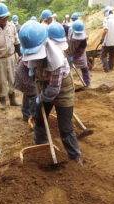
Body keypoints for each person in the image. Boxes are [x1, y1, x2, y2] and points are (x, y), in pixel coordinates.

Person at [19, 20, 82, 164]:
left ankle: (75, 158)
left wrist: (41, 97)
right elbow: (27, 65)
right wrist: (31, 72)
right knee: (39, 119)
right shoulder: (29, 47)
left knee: (65, 127)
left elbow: (54, 89)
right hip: (43, 83)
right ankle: (42, 147)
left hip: (61, 88)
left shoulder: (56, 60)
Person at [67, 20, 90, 87]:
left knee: (84, 68)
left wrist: (74, 57)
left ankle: (87, 84)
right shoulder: (67, 29)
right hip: (69, 51)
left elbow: (81, 51)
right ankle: (68, 86)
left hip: (79, 54)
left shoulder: (83, 40)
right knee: (66, 69)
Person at [14, 57, 37, 124]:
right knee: (34, 93)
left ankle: (26, 114)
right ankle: (34, 117)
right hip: (24, 75)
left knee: (27, 93)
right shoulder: (33, 54)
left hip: (22, 72)